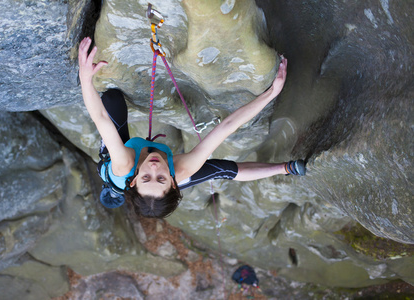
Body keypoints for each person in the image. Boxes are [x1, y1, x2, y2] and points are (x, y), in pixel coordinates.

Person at [78, 37, 305, 218]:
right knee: (223, 169)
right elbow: (227, 126)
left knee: (111, 98)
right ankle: (286, 168)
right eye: (162, 179)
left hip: (117, 171)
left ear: (136, 180)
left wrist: (85, 76)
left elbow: (101, 119)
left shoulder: (123, 165)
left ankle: (114, 191)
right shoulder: (181, 170)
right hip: (155, 171)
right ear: (173, 183)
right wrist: (270, 94)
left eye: (147, 178)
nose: (155, 169)